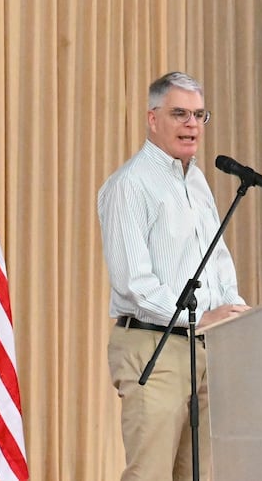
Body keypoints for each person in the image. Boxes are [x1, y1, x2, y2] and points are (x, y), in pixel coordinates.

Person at [97, 71, 250, 480]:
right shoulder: (129, 185)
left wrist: (233, 311)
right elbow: (134, 283)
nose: (191, 125)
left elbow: (215, 257)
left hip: (206, 348)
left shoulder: (196, 181)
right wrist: (198, 318)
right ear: (152, 119)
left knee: (201, 473)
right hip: (154, 346)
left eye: (199, 115)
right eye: (179, 113)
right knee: (151, 474)